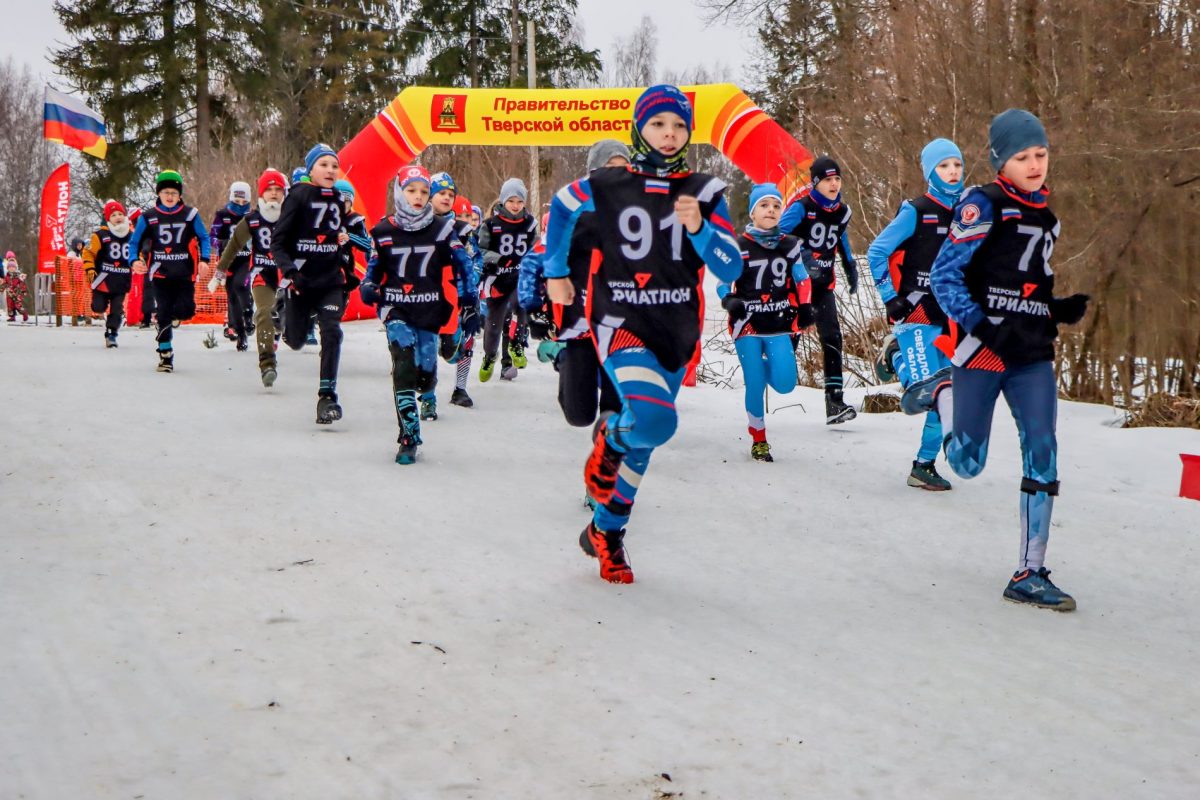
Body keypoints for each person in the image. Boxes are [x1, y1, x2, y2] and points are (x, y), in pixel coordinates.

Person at [545, 85, 743, 584]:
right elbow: (561, 206)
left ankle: (605, 534)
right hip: (620, 320)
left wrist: (700, 229)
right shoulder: (608, 182)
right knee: (654, 421)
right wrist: (555, 272)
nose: (669, 134)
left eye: (678, 125)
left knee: (645, 443)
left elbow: (731, 264)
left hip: (675, 328)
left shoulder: (707, 189)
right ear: (639, 128)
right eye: (658, 124)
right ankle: (607, 441)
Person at [909, 108, 1089, 611]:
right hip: (983, 351)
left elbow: (1027, 284)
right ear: (1000, 161)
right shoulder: (981, 205)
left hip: (1031, 354)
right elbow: (945, 278)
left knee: (1044, 450)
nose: (1035, 165)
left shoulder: (1046, 217)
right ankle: (943, 393)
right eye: (1022, 156)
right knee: (966, 464)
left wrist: (1055, 308)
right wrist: (984, 327)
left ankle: (1029, 572)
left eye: (1041, 154)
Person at [359, 165, 479, 464]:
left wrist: (469, 303)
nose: (418, 197)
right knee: (403, 361)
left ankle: (427, 392)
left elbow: (464, 266)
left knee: (425, 376)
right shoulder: (383, 230)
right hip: (396, 305)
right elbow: (374, 267)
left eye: (424, 192)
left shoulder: (443, 229)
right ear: (400, 192)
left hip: (430, 306)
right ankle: (408, 436)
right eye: (411, 190)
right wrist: (368, 285)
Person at [867, 138, 964, 490]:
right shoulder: (916, 210)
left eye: (956, 165)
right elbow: (877, 252)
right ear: (930, 172)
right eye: (943, 166)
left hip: (950, 316)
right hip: (915, 310)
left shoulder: (968, 214)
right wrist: (890, 298)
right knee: (926, 388)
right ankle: (896, 353)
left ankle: (923, 466)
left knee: (948, 394)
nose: (952, 172)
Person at [521, 140, 628, 435]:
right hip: (579, 321)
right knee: (579, 415)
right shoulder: (573, 209)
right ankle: (562, 357)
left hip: (620, 325)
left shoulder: (638, 213)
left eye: (624, 169)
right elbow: (536, 260)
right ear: (593, 171)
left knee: (615, 408)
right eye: (609, 168)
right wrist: (532, 307)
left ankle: (609, 458)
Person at [718, 183, 815, 462]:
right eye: (764, 205)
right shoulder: (738, 245)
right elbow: (723, 282)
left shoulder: (789, 244)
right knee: (755, 383)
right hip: (747, 323)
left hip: (778, 322)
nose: (770, 210)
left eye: (775, 206)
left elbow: (802, 279)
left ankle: (759, 372)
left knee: (786, 383)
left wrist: (806, 307)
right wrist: (728, 300)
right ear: (753, 212)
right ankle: (758, 438)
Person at [270, 143, 350, 423]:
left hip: (330, 280)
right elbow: (278, 241)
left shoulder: (339, 198)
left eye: (334, 165)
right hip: (301, 281)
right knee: (295, 340)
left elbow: (336, 234)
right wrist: (290, 272)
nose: (330, 170)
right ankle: (282, 311)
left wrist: (342, 248)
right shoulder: (299, 195)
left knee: (332, 331)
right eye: (323, 165)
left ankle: (327, 397)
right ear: (311, 169)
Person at [779, 155, 860, 424]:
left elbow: (841, 237)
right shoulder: (802, 208)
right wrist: (803, 254)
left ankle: (834, 402)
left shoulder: (843, 212)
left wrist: (850, 267)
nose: (834, 184)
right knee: (790, 339)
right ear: (816, 183)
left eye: (837, 178)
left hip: (823, 285)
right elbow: (778, 236)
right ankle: (770, 380)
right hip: (796, 286)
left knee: (833, 337)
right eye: (828, 180)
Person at [210, 169, 289, 386]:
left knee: (285, 318)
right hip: (262, 272)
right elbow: (234, 245)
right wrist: (220, 271)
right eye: (269, 190)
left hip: (288, 274)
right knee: (264, 311)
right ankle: (267, 363)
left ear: (284, 193)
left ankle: (280, 330)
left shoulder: (292, 216)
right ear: (261, 194)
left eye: (278, 190)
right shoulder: (253, 220)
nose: (273, 194)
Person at [128, 170, 210, 372]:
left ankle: (170, 319)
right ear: (159, 194)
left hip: (184, 273)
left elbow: (204, 237)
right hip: (160, 273)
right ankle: (165, 354)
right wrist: (133, 261)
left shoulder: (191, 215)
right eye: (166, 192)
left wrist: (205, 260)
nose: (170, 196)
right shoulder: (148, 217)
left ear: (180, 194)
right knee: (163, 311)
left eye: (174, 192)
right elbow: (134, 241)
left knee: (186, 311)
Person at [426, 172, 481, 413]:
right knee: (424, 345)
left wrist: (471, 291)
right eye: (441, 193)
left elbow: (475, 261)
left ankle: (460, 388)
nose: (447, 198)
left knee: (458, 348)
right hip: (424, 297)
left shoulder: (463, 229)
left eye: (451, 194)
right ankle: (427, 398)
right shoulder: (416, 225)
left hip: (457, 297)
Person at [477, 178, 538, 381]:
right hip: (498, 279)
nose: (515, 205)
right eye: (511, 200)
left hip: (519, 277)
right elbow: (481, 250)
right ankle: (489, 355)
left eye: (520, 201)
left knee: (521, 306)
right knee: (493, 325)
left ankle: (516, 345)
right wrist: (495, 260)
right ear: (503, 201)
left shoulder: (530, 224)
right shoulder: (491, 225)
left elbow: (535, 248)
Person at [82, 200, 135, 347]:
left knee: (117, 308)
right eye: (113, 215)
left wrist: (140, 260)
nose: (118, 217)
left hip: (122, 279)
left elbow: (137, 252)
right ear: (107, 219)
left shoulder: (131, 236)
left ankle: (112, 333)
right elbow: (88, 253)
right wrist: (90, 269)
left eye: (120, 214)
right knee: (99, 307)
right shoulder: (100, 235)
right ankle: (99, 307)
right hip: (103, 279)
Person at [211, 181, 254, 350]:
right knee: (232, 297)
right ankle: (241, 334)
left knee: (241, 286)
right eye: (237, 202)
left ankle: (249, 314)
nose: (240, 206)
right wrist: (222, 243)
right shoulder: (222, 215)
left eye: (244, 202)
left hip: (246, 258)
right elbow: (212, 236)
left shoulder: (252, 215)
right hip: (228, 261)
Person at [449, 193, 483, 407]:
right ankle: (426, 390)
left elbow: (477, 261)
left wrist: (474, 276)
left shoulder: (471, 238)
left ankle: (460, 388)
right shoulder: (441, 234)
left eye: (467, 215)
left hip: (467, 296)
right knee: (440, 343)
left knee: (468, 339)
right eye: (459, 214)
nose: (463, 219)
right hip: (442, 297)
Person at [3, 253, 28, 322]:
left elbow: (22, 284)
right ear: (8, 268)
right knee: (10, 306)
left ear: (15, 268)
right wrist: (1, 289)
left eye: (13, 267)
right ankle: (12, 317)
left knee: (18, 305)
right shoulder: (7, 276)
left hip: (17, 293)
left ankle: (24, 313)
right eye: (10, 267)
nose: (11, 268)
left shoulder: (18, 276)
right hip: (9, 294)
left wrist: (23, 290)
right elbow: (4, 284)